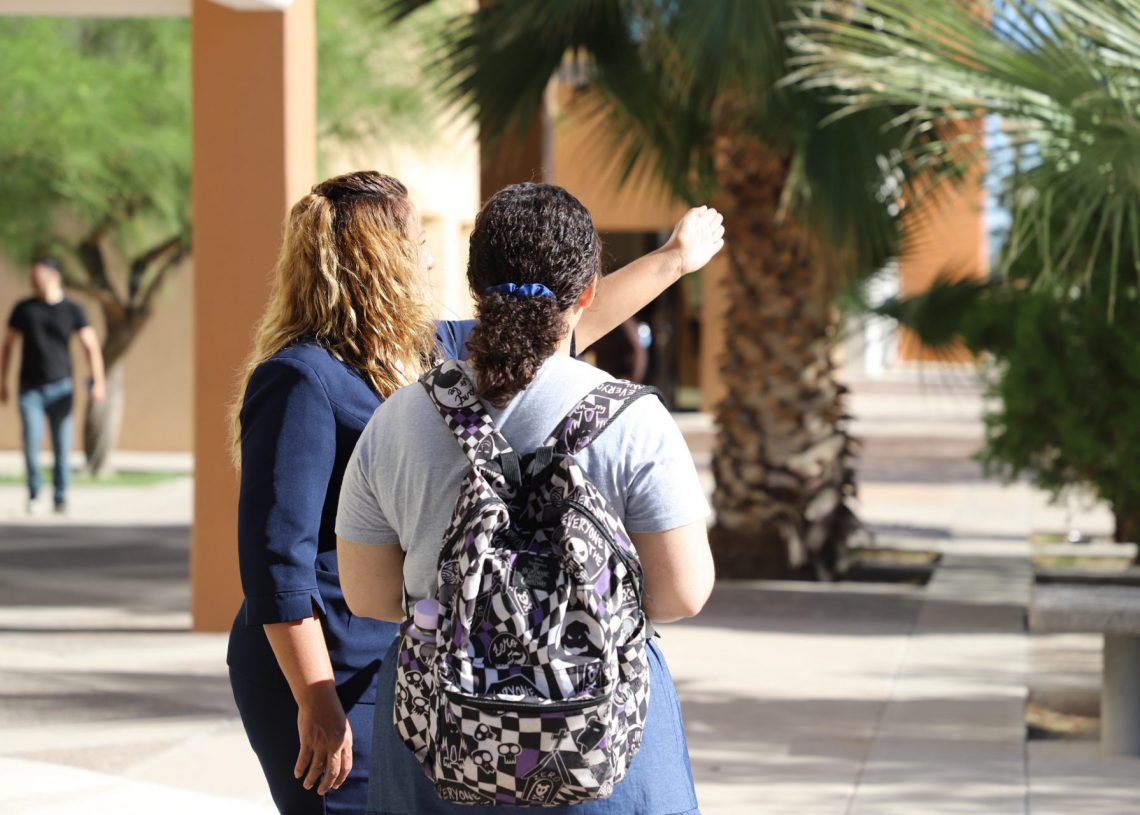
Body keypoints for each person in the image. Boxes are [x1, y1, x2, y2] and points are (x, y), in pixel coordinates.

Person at [228, 170, 724, 815]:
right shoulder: (303, 379)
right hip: (330, 665)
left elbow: (564, 319)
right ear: (379, 261)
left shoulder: (431, 353)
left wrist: (675, 259)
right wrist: (315, 696)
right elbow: (275, 561)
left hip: (419, 642)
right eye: (418, 242)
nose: (431, 257)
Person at [0, 257, 106, 514]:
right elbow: (8, 345)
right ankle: (35, 492)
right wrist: (3, 381)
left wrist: (98, 382)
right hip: (30, 389)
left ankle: (60, 497)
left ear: (53, 276)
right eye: (31, 277)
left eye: (37, 276)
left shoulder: (73, 309)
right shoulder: (24, 309)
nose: (33, 281)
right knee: (31, 441)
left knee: (62, 445)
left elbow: (90, 346)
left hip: (62, 388)